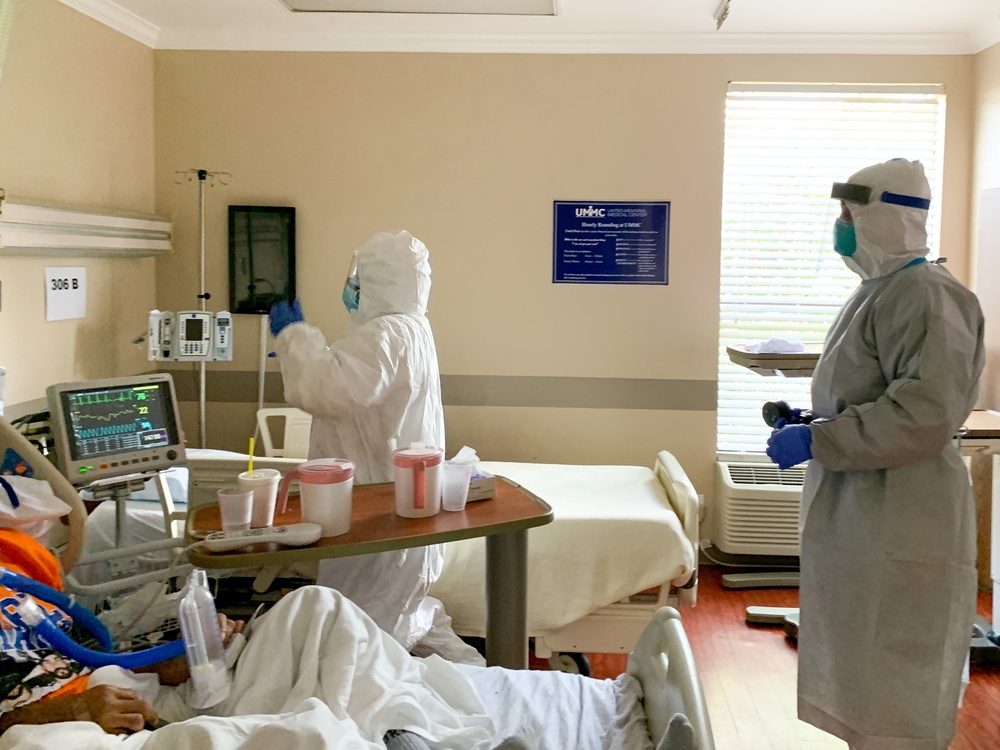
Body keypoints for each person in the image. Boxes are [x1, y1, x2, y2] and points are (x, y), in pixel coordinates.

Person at [766, 158, 985, 750]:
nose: (840, 227)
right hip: (865, 501)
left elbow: (924, 415)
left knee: (897, 661)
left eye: (849, 214)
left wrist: (822, 439)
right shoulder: (880, 292)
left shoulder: (930, 296)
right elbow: (875, 392)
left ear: (885, 218)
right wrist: (815, 420)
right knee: (862, 647)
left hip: (906, 508)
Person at [268, 230, 448, 651]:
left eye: (358, 280)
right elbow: (360, 381)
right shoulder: (413, 329)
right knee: (395, 625)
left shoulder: (387, 333)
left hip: (376, 513)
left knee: (362, 640)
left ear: (377, 282)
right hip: (401, 501)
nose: (352, 289)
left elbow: (330, 390)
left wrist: (294, 334)